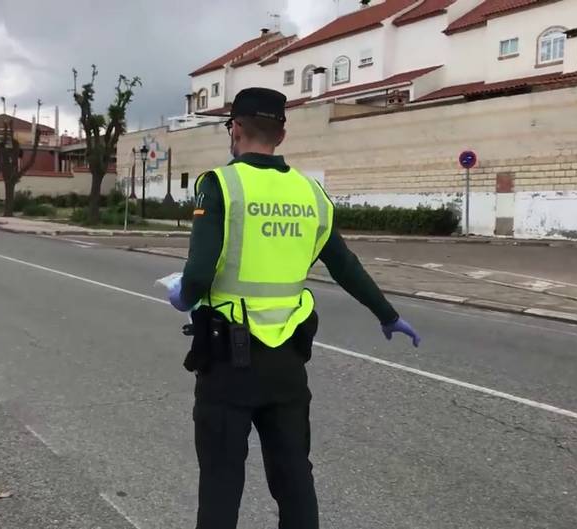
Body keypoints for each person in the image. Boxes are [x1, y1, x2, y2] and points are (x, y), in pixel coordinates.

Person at [166, 87, 421, 529]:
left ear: (236, 128)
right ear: (281, 136)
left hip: (227, 360)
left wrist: (182, 296)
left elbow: (200, 272)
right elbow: (345, 264)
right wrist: (387, 314)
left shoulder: (220, 185)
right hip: (287, 362)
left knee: (222, 482)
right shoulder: (311, 193)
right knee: (293, 478)